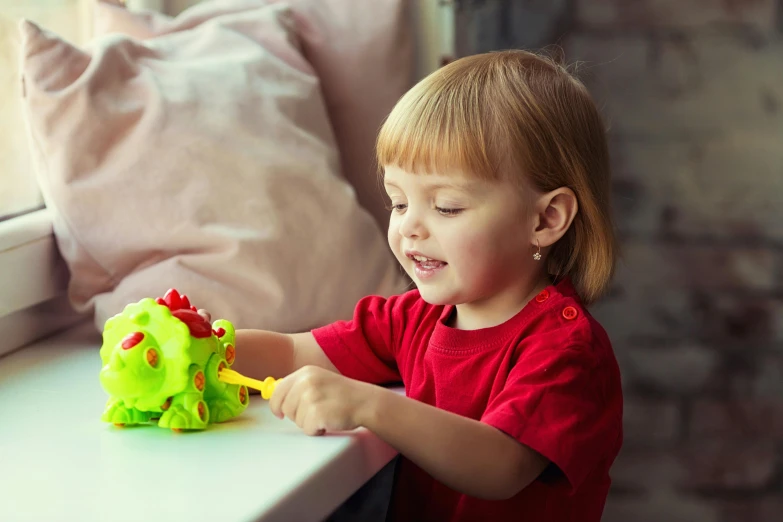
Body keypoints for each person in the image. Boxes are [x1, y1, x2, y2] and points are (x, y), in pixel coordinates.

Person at [233, 49, 623, 522]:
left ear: (546, 219)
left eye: (447, 207)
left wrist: (367, 404)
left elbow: (500, 465)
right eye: (399, 203)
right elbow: (296, 353)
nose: (410, 228)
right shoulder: (411, 317)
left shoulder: (565, 349)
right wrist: (206, 347)